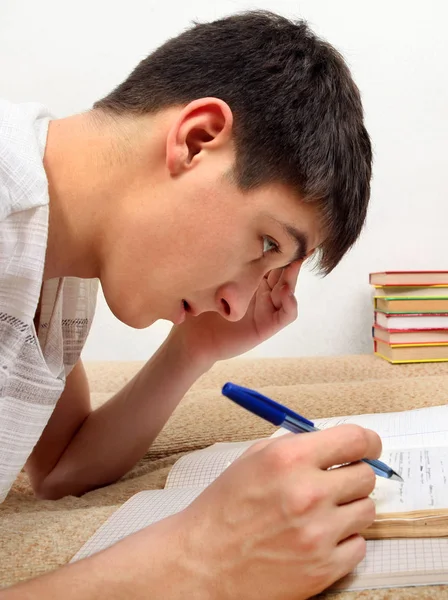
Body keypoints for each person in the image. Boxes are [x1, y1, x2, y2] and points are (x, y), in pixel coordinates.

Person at [0, 10, 381, 599]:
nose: (236, 305)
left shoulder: (57, 261)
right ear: (197, 139)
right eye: (265, 244)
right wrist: (197, 563)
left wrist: (193, 347)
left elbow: (59, 469)